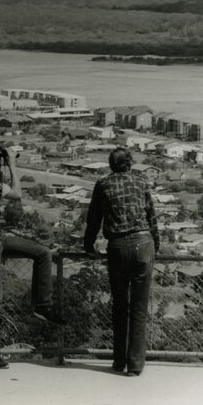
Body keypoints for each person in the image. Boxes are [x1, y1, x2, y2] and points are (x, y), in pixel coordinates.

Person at [0, 138, 63, 370]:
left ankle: (42, 304)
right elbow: (17, 194)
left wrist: (1, 165)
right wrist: (12, 165)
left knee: (42, 253)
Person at [83, 147, 161, 376]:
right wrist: (155, 244)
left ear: (110, 164)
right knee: (138, 308)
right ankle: (135, 366)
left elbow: (93, 219)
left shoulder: (103, 185)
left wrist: (88, 245)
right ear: (130, 163)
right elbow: (152, 217)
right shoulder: (141, 182)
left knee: (119, 306)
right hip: (142, 245)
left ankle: (118, 361)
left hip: (117, 247)